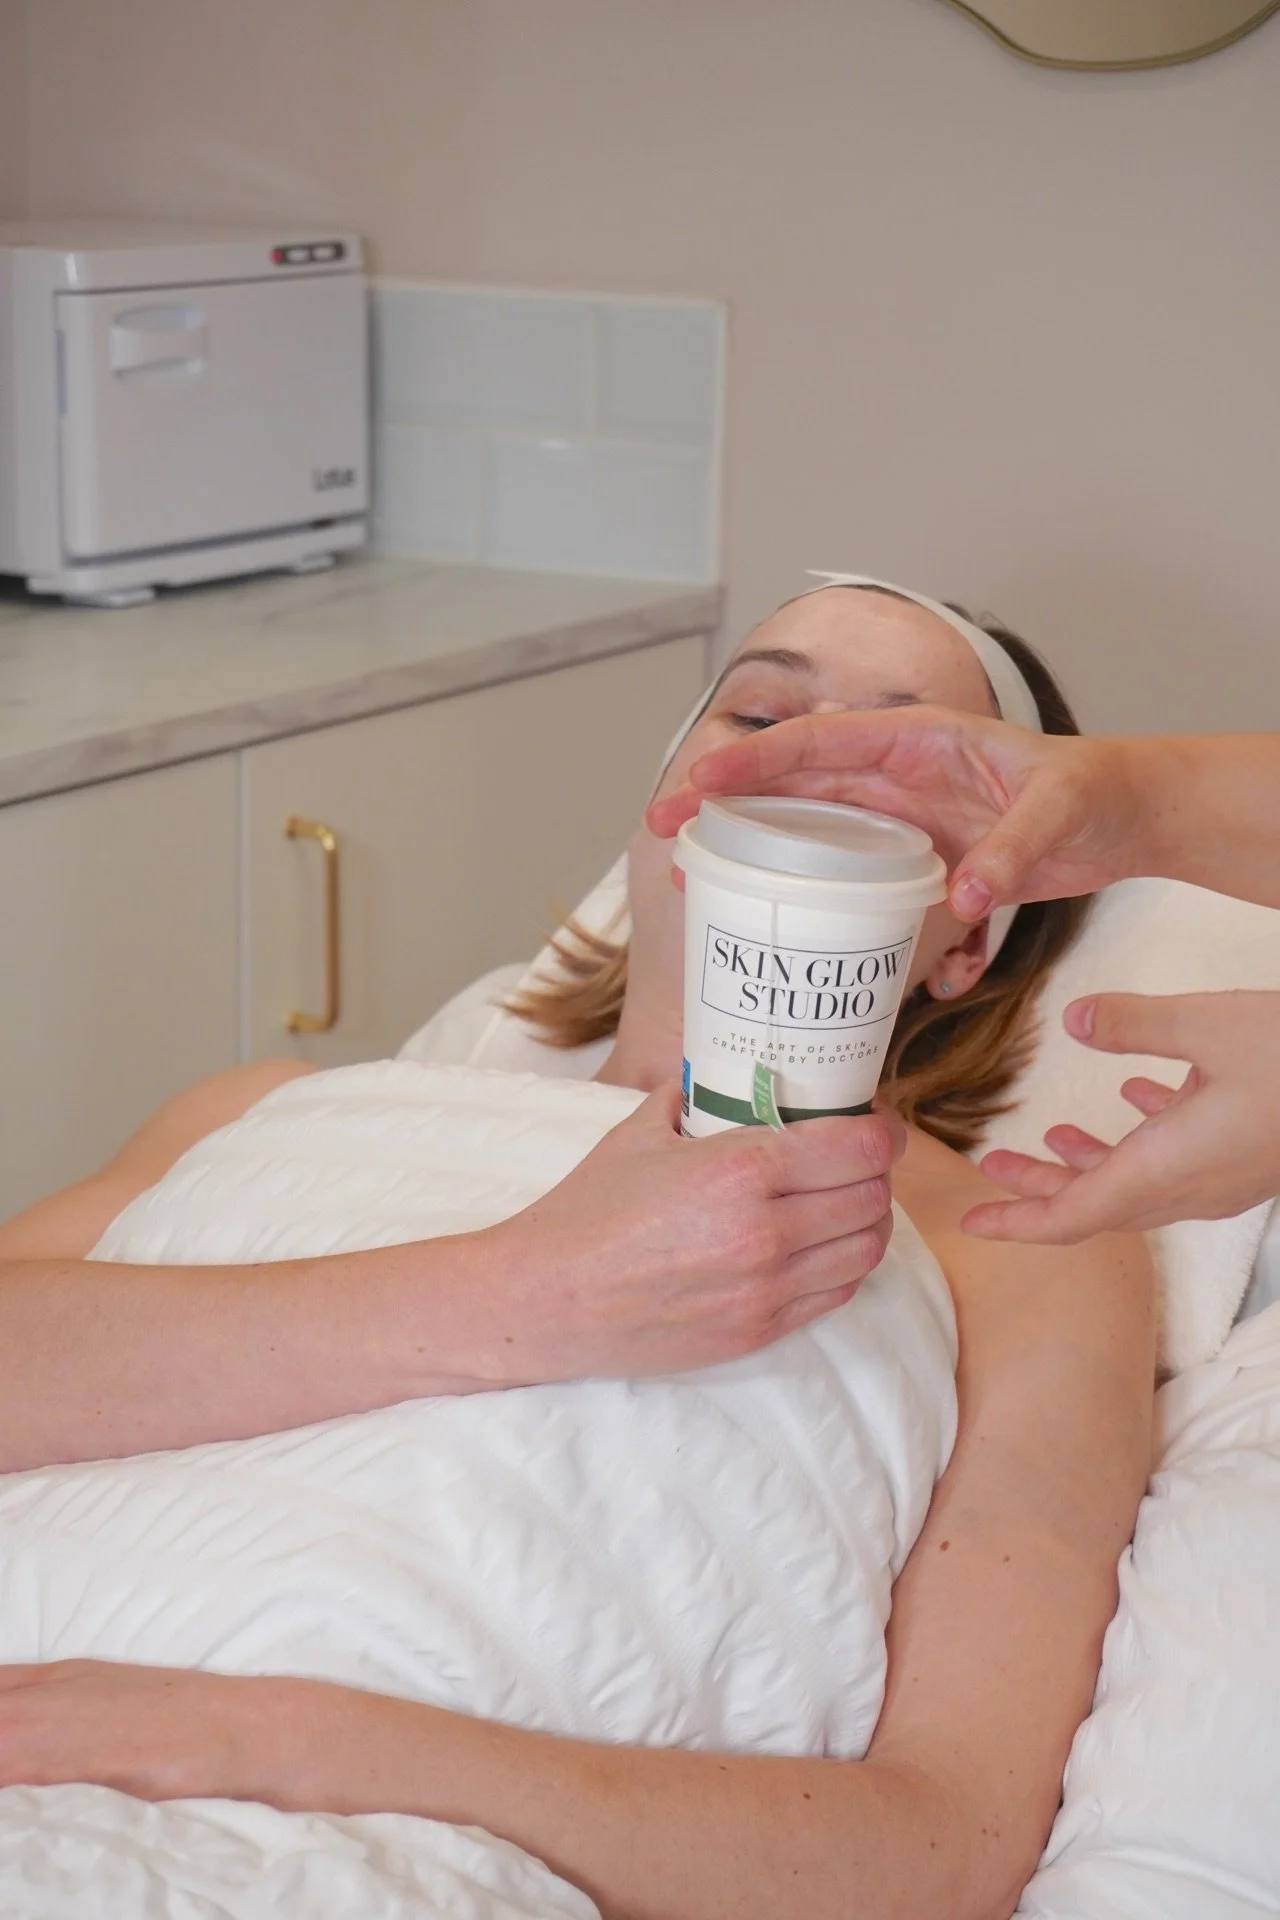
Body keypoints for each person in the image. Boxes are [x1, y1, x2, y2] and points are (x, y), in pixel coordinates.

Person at [0, 581, 1153, 1920]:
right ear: (664, 822)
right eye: (763, 710)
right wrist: (521, 1292)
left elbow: (939, 1843)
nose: (800, 759)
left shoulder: (1018, 1252)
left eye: (897, 759)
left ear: (973, 931)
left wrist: (265, 1743)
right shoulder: (264, 1113)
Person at [648, 691, 1280, 1244]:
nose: (811, 815)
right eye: (758, 719)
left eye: (880, 818)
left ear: (966, 944)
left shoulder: (1005, 1249)